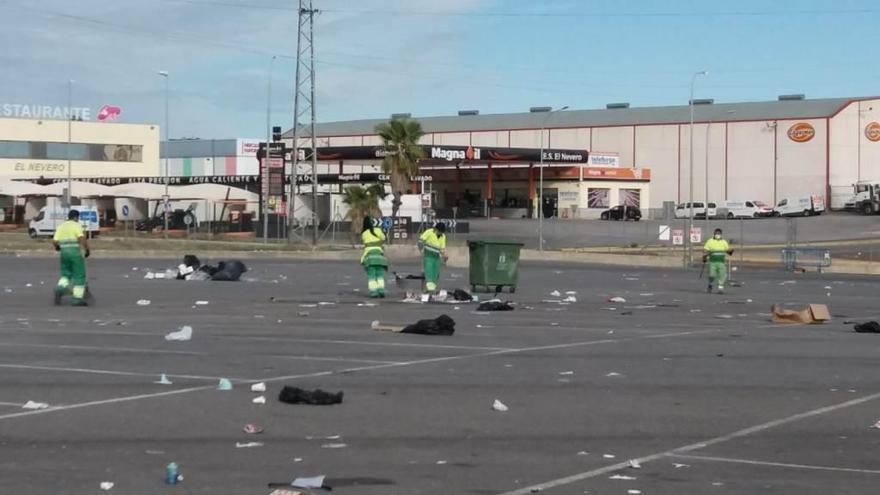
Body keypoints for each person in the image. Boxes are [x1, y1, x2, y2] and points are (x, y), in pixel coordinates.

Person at [53, 209, 90, 306]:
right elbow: (81, 238)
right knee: (79, 275)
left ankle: (60, 288)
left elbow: (55, 241)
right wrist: (87, 249)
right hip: (75, 253)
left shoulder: (61, 226)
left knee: (66, 274)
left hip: (64, 253)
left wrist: (57, 247)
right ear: (75, 217)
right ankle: (77, 299)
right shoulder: (76, 225)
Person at [360, 216, 388, 298]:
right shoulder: (378, 230)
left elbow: (365, 243)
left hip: (370, 258)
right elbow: (384, 238)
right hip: (380, 257)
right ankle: (381, 290)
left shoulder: (364, 233)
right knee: (380, 276)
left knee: (371, 276)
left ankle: (374, 292)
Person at [418, 222, 448, 294]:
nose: (441, 233)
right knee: (429, 273)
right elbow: (420, 242)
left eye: (442, 232)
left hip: (436, 257)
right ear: (436, 229)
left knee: (435, 274)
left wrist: (444, 256)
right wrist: (421, 250)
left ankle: (431, 289)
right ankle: (431, 290)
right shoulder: (429, 232)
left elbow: (442, 248)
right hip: (428, 256)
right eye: (440, 231)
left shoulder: (443, 236)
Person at [703, 227, 734, 294]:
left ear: (721, 234)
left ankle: (720, 289)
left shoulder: (724, 242)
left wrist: (730, 251)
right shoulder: (710, 241)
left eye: (719, 233)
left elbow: (727, 250)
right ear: (714, 233)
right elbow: (706, 250)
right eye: (716, 233)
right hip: (712, 262)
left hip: (721, 262)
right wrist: (704, 256)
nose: (717, 234)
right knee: (712, 275)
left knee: (722, 275)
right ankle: (710, 284)